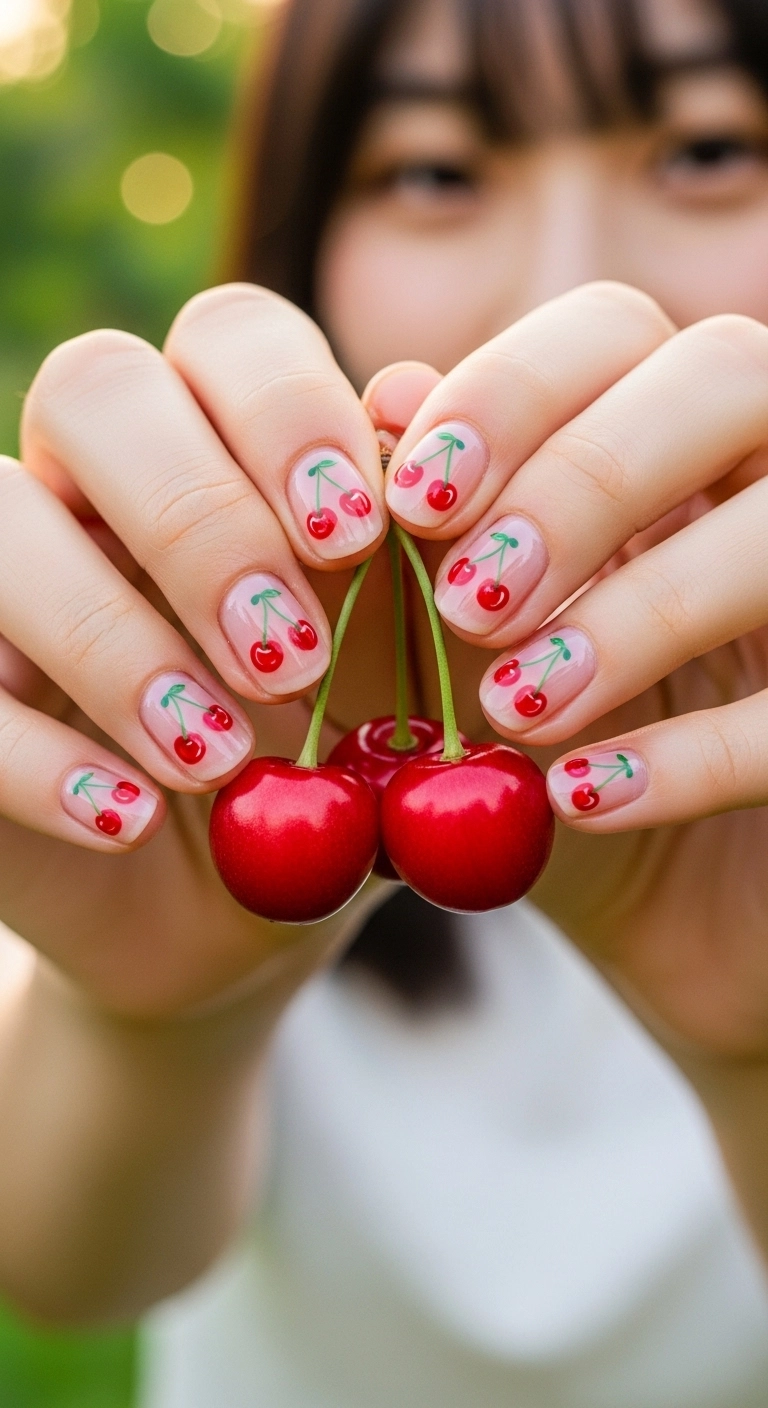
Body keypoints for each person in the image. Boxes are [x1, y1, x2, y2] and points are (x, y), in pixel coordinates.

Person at [2, 0, 768, 1401]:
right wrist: (156, 1024)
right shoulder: (175, 685)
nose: (562, 277)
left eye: (710, 146)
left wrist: (754, 1055)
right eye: (432, 172)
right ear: (307, 245)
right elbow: (63, 1267)